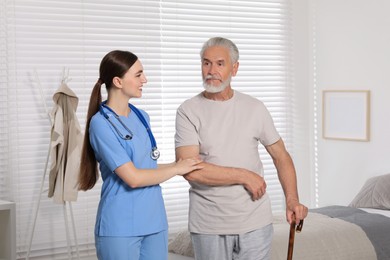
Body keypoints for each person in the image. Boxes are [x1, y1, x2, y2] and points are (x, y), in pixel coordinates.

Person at [175, 37, 308, 260]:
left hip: (255, 222)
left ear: (234, 68)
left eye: (219, 63)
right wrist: (244, 176)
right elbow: (190, 169)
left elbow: (281, 156)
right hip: (208, 224)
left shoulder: (255, 108)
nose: (211, 70)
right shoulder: (188, 110)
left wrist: (292, 199)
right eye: (206, 63)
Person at [78, 50, 202, 260]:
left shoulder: (141, 117)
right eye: (138, 75)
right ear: (118, 81)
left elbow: (147, 166)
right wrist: (176, 169)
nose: (144, 79)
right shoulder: (100, 124)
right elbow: (133, 178)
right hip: (120, 225)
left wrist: (180, 164)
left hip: (155, 221)